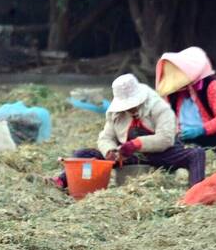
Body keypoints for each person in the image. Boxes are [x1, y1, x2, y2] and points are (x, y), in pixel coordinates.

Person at [52, 73, 205, 188]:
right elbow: (105, 137)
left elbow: (166, 138)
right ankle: (62, 181)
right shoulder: (115, 113)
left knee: (196, 154)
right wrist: (110, 152)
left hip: (162, 154)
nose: (129, 108)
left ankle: (196, 193)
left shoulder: (159, 108)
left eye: (132, 105)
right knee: (82, 154)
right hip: (127, 156)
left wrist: (136, 144)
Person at [156, 46, 216, 158]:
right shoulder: (172, 92)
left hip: (211, 135)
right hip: (184, 140)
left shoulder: (209, 84)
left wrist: (201, 130)